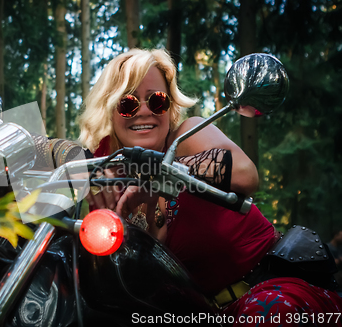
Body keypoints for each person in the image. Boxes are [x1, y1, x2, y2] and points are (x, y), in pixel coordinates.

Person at [78, 48, 342, 325]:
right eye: (128, 103)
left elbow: (245, 174)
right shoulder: (105, 173)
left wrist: (157, 173)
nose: (144, 111)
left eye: (157, 101)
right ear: (109, 108)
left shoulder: (187, 135)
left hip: (270, 289)